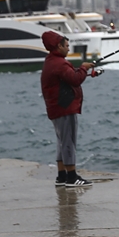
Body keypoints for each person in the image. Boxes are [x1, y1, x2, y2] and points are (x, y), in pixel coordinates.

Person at [40, 30, 99, 187]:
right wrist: (84, 68)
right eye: (66, 45)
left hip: (56, 108)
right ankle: (72, 178)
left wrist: (84, 73)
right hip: (64, 107)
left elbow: (66, 78)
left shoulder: (51, 61)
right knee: (68, 142)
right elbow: (74, 79)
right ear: (58, 46)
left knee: (61, 141)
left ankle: (62, 176)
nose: (68, 48)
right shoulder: (60, 63)